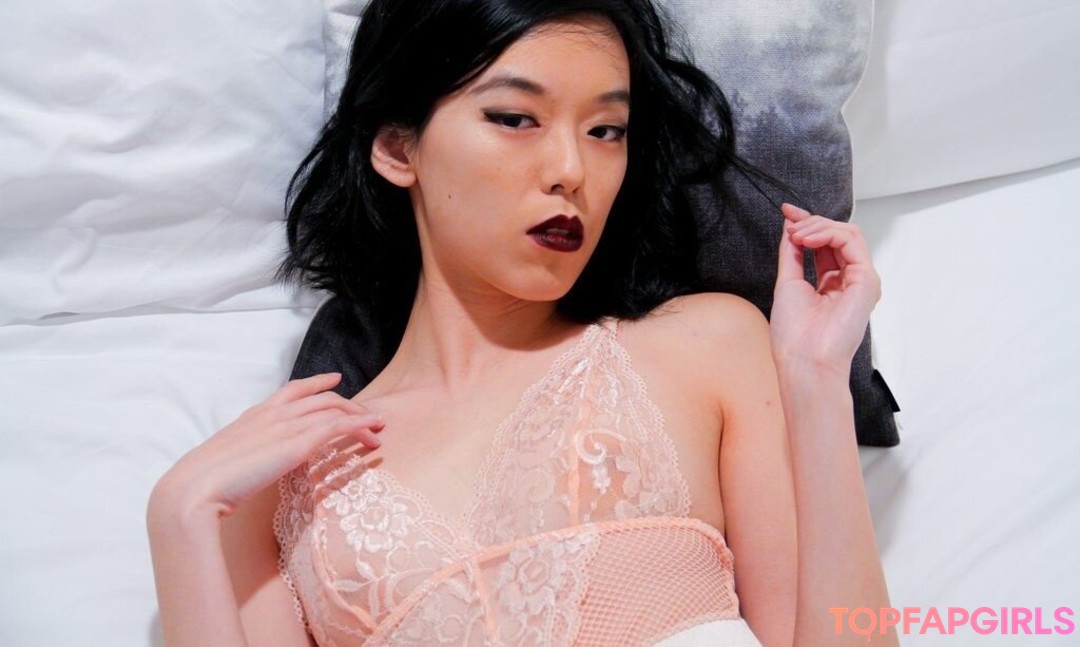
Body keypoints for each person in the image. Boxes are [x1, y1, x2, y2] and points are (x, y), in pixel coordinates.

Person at [147, 0, 896, 644]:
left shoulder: (709, 346)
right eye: (514, 118)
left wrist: (817, 379)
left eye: (606, 130)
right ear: (398, 145)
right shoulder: (283, 488)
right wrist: (178, 520)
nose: (571, 169)